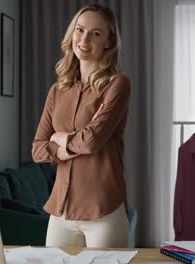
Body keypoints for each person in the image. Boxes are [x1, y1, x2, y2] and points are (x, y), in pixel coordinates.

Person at [32, 3, 131, 248]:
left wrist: (59, 138)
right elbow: (37, 149)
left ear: (108, 41)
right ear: (71, 34)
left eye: (96, 33)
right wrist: (64, 147)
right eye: (80, 29)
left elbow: (92, 141)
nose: (84, 39)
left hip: (103, 211)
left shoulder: (117, 85)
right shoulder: (57, 91)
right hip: (61, 212)